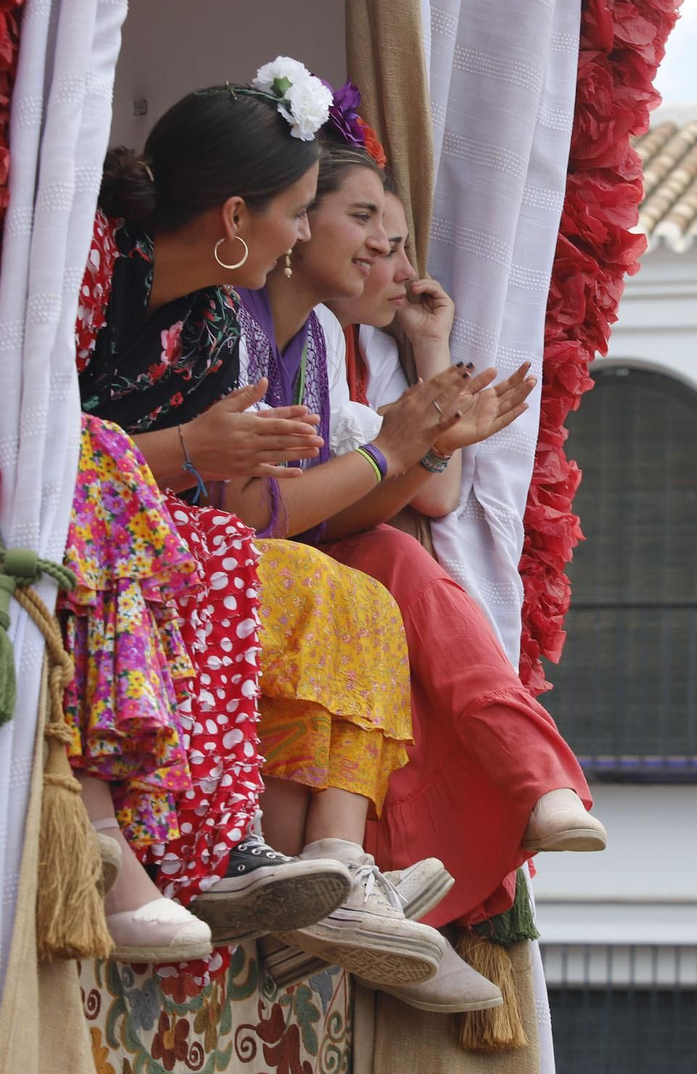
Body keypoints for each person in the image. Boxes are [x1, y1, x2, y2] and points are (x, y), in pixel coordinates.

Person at [73, 60, 467, 991]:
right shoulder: (96, 268)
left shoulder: (215, 322)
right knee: (238, 559)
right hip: (90, 516)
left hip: (156, 526)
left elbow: (232, 489)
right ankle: (188, 846)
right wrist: (200, 449)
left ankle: (318, 870)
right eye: (302, 212)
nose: (295, 236)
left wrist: (416, 434)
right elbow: (54, 441)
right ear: (235, 218)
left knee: (353, 592)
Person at [250, 143, 606, 938]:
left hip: (318, 546)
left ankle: (380, 870)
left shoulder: (325, 343)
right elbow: (279, 507)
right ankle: (526, 783)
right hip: (276, 549)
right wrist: (395, 449)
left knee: (390, 563)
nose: (395, 258)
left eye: (403, 239)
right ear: (299, 225)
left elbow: (434, 492)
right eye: (368, 220)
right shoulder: (265, 326)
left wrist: (429, 357)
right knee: (386, 564)